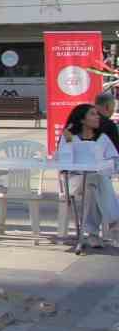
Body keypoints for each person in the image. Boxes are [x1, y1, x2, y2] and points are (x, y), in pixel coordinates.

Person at [57, 103, 119, 243]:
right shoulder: (69, 137)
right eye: (93, 114)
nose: (98, 117)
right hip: (73, 180)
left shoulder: (103, 138)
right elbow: (64, 163)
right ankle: (115, 222)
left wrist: (106, 167)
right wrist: (68, 141)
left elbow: (114, 162)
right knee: (95, 180)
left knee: (93, 184)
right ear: (82, 119)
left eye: (97, 114)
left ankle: (93, 234)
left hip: (95, 181)